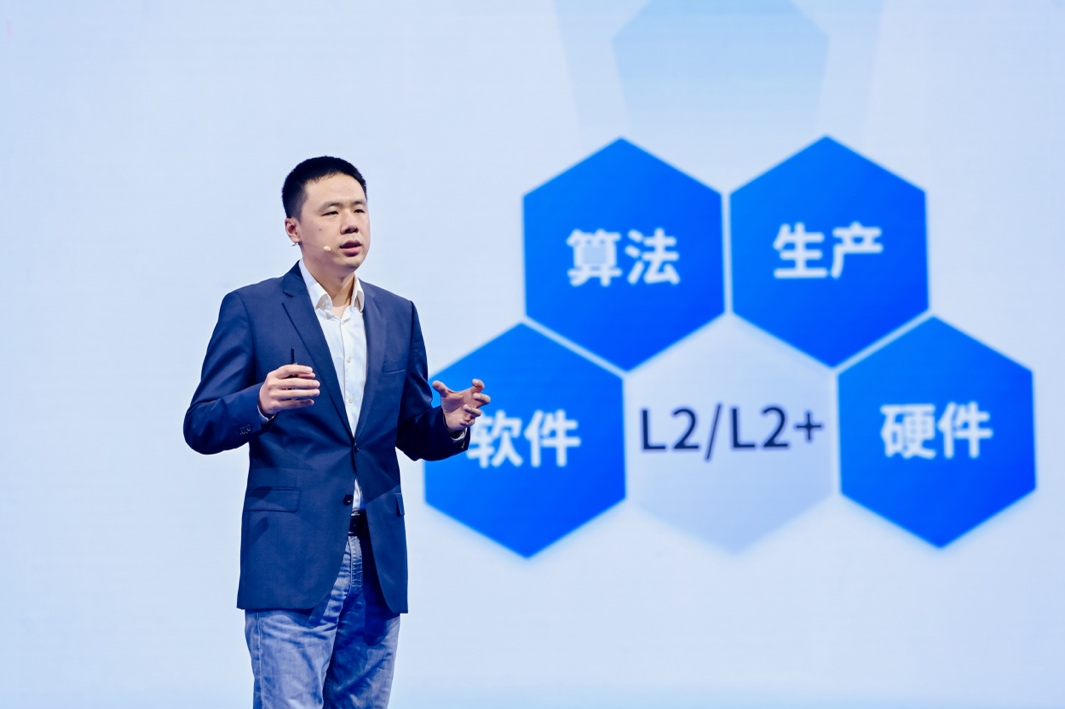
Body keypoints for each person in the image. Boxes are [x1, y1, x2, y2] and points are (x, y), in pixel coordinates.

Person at [183, 156, 489, 708]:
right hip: (290, 560)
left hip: (377, 560)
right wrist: (260, 401)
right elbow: (201, 424)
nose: (351, 224)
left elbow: (409, 432)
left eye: (359, 210)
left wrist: (447, 424)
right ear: (293, 228)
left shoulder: (398, 313)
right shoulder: (253, 308)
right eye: (331, 212)